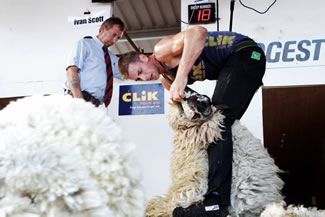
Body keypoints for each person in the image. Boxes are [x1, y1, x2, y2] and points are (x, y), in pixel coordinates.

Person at [118, 26, 266, 217]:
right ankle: (231, 193)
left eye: (140, 70)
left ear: (143, 58)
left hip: (245, 53)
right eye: (138, 78)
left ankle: (216, 203)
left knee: (217, 123)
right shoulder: (167, 80)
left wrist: (181, 77)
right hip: (244, 66)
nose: (145, 77)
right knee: (222, 125)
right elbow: (199, 105)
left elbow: (198, 33)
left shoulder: (161, 51)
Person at [64, 17, 125, 107]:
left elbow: (127, 74)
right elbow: (71, 71)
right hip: (77, 101)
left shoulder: (112, 58)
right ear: (103, 28)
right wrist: (79, 102)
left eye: (118, 38)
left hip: (93, 104)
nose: (114, 41)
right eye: (113, 35)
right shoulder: (85, 44)